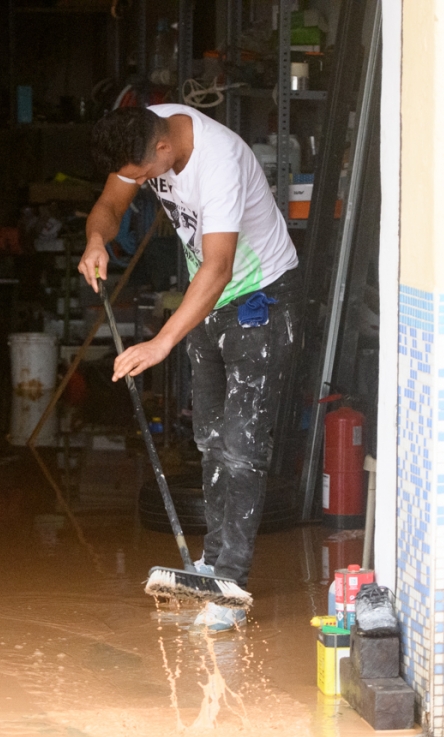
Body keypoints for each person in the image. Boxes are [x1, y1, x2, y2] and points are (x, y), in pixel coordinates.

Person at [80, 105, 300, 633]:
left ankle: (230, 586)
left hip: (260, 300)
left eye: (143, 175)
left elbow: (219, 267)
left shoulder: (218, 162)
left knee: (241, 448)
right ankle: (213, 561)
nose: (140, 184)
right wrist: (96, 240)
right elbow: (110, 204)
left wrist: (161, 342)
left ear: (163, 149)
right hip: (208, 299)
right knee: (209, 437)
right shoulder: (143, 130)